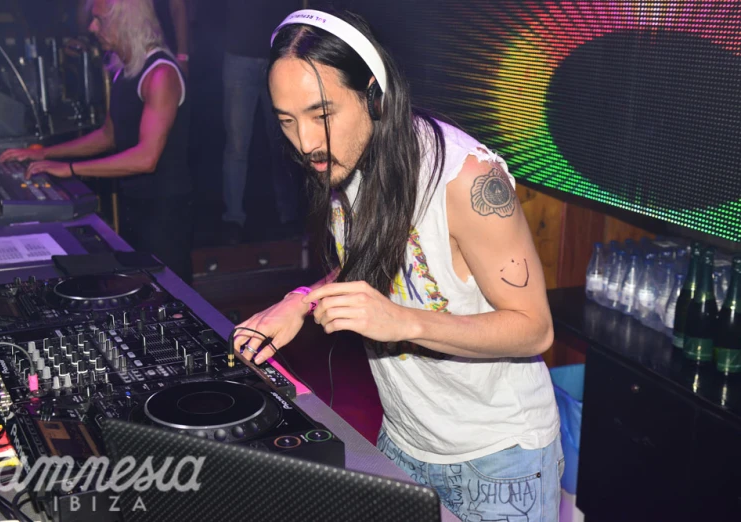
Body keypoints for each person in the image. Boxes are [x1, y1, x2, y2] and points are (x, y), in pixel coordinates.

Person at [232, 9, 563, 521]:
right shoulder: (346, 161)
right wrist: (300, 301)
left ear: (375, 96)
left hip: (500, 458)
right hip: (405, 439)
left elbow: (535, 329)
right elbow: (377, 261)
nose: (305, 143)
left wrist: (402, 321)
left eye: (322, 115)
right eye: (286, 121)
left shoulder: (468, 179)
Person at [0, 0, 193, 283]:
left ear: (126, 22)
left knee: (173, 297)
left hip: (165, 212)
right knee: (139, 291)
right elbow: (109, 136)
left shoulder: (160, 74)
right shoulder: (124, 69)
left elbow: (146, 158)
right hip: (135, 205)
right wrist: (42, 154)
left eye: (100, 20)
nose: (92, 27)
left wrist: (70, 169)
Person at [220, 0, 301, 244]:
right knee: (236, 145)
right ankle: (233, 218)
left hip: (277, 57)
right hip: (238, 56)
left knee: (283, 141)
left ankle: (289, 215)